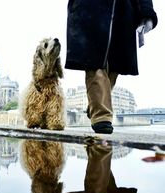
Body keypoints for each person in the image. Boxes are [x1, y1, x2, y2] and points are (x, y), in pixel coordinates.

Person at [65, 0, 158, 134]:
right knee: (94, 63)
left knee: (115, 67)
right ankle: (101, 116)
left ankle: (96, 104)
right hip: (89, 10)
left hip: (123, 12)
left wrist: (146, 12)